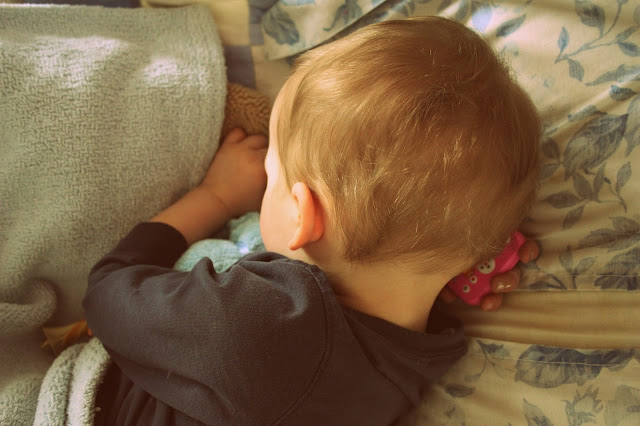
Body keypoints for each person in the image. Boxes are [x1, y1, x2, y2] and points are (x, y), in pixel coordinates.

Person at [85, 16, 541, 425]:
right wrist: (458, 252)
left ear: (303, 215)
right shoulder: (423, 354)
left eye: (272, 175)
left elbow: (107, 291)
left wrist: (215, 197)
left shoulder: (261, 323)